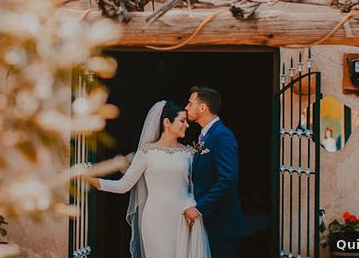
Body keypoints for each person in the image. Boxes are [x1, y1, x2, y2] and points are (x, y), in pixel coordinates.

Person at [87, 101, 210, 258]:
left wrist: (192, 206)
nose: (187, 125)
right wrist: (91, 180)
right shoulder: (146, 153)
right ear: (167, 122)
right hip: (154, 220)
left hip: (183, 219)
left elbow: (195, 188)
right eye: (182, 120)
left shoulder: (189, 154)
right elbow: (124, 185)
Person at [184, 87, 245, 258]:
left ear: (203, 107)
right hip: (208, 224)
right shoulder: (205, 136)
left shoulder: (222, 135)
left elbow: (228, 179)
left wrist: (200, 209)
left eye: (190, 103)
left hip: (221, 225)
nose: (186, 107)